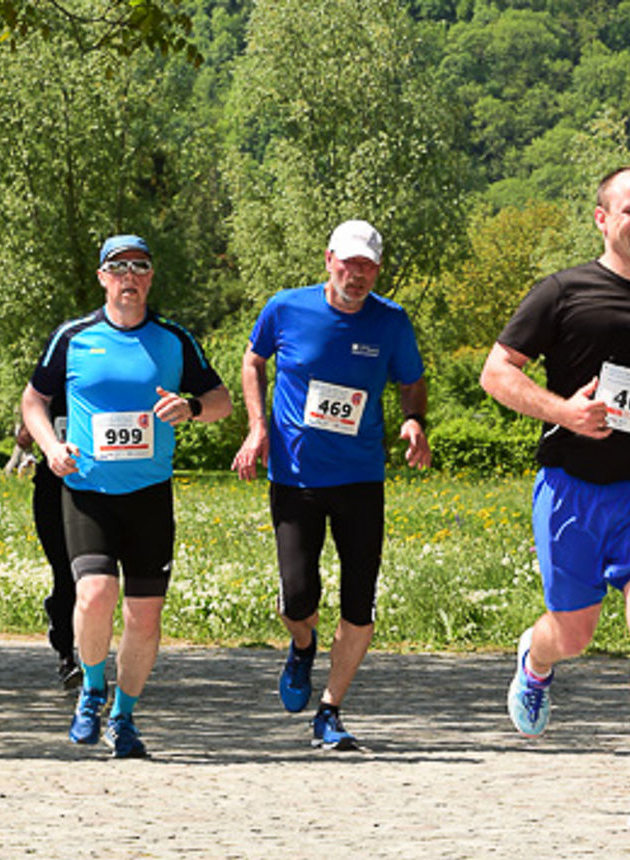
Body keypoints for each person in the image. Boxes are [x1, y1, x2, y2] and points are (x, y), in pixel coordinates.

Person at [479, 166, 630, 833]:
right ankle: (536, 661)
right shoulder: (563, 292)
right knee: (574, 632)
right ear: (602, 219)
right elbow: (496, 373)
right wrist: (563, 411)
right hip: (571, 487)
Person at [22, 234, 232, 758]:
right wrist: (51, 447)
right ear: (103, 278)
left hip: (149, 496)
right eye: (119, 269)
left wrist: (191, 408)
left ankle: (124, 717)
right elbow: (33, 400)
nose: (129, 278)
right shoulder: (73, 337)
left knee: (145, 616)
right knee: (94, 595)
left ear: (151, 277)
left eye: (139, 268)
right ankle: (93, 689)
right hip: (87, 491)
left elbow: (222, 400)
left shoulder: (174, 339)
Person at [231, 219, 431, 751]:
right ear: (328, 260)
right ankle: (303, 646)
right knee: (297, 598)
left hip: (361, 477)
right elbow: (253, 360)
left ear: (377, 270)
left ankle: (330, 710)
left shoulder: (391, 321)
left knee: (359, 601)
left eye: (367, 265)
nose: (357, 274)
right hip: (295, 476)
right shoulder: (285, 308)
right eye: (348, 263)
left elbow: (412, 381)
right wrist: (257, 427)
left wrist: (414, 422)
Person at [10, 404, 82, 691]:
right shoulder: (49, 389)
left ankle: (94, 659)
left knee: (98, 576)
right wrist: (32, 432)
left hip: (104, 487)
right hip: (54, 490)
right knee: (66, 573)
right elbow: (23, 436)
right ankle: (67, 656)